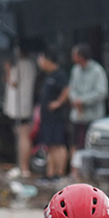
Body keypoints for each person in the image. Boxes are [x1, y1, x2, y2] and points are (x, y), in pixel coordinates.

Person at [65, 43, 109, 150]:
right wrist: (75, 100)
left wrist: (83, 101)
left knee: (91, 143)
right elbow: (72, 89)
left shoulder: (97, 70)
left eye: (75, 54)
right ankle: (74, 165)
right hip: (77, 116)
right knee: (74, 143)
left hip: (93, 116)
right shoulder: (75, 70)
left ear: (81, 56)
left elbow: (102, 92)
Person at [35, 48, 70, 179]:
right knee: (49, 145)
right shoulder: (48, 75)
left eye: (41, 59)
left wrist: (58, 103)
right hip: (47, 117)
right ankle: (50, 174)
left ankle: (59, 173)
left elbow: (67, 89)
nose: (39, 62)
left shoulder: (60, 74)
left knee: (58, 145)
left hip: (57, 116)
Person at [4, 46, 36, 172]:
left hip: (18, 106)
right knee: (23, 134)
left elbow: (13, 82)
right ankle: (23, 166)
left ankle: (23, 167)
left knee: (23, 135)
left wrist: (8, 70)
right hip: (27, 104)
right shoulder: (31, 64)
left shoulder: (18, 65)